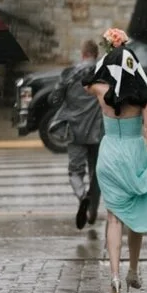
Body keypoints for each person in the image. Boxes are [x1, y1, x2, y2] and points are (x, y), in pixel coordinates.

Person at [81, 30, 147, 293]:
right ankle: (133, 270)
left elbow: (88, 82)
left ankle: (114, 277)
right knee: (137, 213)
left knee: (113, 218)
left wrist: (108, 57)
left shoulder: (101, 91)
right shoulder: (144, 96)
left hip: (110, 152)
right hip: (134, 153)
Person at [52, 40, 105, 229]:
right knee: (96, 173)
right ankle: (92, 213)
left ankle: (83, 196)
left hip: (75, 130)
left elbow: (55, 98)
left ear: (83, 54)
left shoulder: (69, 73)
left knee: (75, 170)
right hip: (98, 131)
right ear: (96, 54)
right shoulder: (103, 73)